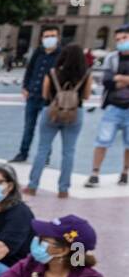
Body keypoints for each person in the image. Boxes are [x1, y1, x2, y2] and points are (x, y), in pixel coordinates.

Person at [25, 43, 91, 198]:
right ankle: (63, 189)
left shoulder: (53, 72)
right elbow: (86, 96)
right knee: (69, 152)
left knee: (42, 149)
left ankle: (33, 186)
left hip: (52, 112)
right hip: (75, 113)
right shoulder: (86, 74)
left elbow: (45, 94)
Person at [87, 22, 129, 188]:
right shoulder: (112, 57)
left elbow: (114, 79)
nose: (121, 41)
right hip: (113, 107)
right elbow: (106, 81)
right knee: (102, 141)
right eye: (118, 39)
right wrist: (119, 80)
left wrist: (120, 78)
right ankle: (94, 173)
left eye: (124, 38)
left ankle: (125, 172)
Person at [12, 26, 61, 163]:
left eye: (52, 35)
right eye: (46, 36)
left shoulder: (61, 54)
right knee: (28, 127)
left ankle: (45, 156)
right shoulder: (38, 52)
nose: (49, 39)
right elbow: (30, 70)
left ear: (58, 38)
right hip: (32, 95)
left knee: (46, 129)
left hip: (49, 99)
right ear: (41, 38)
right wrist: (25, 87)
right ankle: (23, 153)